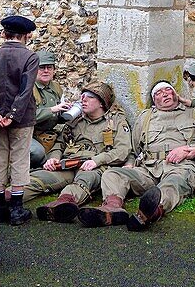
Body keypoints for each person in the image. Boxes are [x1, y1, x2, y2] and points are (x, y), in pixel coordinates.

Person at [78, 80, 195, 231]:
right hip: (148, 167)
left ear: (175, 93)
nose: (164, 94)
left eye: (168, 90)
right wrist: (130, 163)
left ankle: (150, 212)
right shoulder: (145, 117)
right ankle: (112, 207)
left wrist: (191, 149)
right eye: (158, 93)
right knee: (113, 174)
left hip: (179, 166)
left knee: (173, 183)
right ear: (153, 99)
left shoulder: (193, 114)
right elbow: (135, 147)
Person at [26, 82, 131, 222]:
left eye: (89, 97)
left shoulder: (116, 121)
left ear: (101, 103)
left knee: (82, 182)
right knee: (37, 179)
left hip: (94, 166)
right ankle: (3, 200)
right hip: (67, 164)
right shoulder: (75, 121)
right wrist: (53, 158)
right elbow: (59, 144)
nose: (83, 100)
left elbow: (123, 150)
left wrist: (97, 160)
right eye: (82, 96)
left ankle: (61, 205)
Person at [0, 15, 39, 227]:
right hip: (22, 117)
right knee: (20, 159)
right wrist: (13, 115)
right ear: (26, 36)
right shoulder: (30, 57)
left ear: (3, 33)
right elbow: (26, 89)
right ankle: (17, 209)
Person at [29, 50, 65, 169]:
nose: (46, 71)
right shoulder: (28, 88)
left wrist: (68, 112)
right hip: (27, 134)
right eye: (42, 67)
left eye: (49, 67)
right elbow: (27, 117)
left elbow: (58, 117)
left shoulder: (56, 88)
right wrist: (52, 110)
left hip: (47, 134)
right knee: (37, 153)